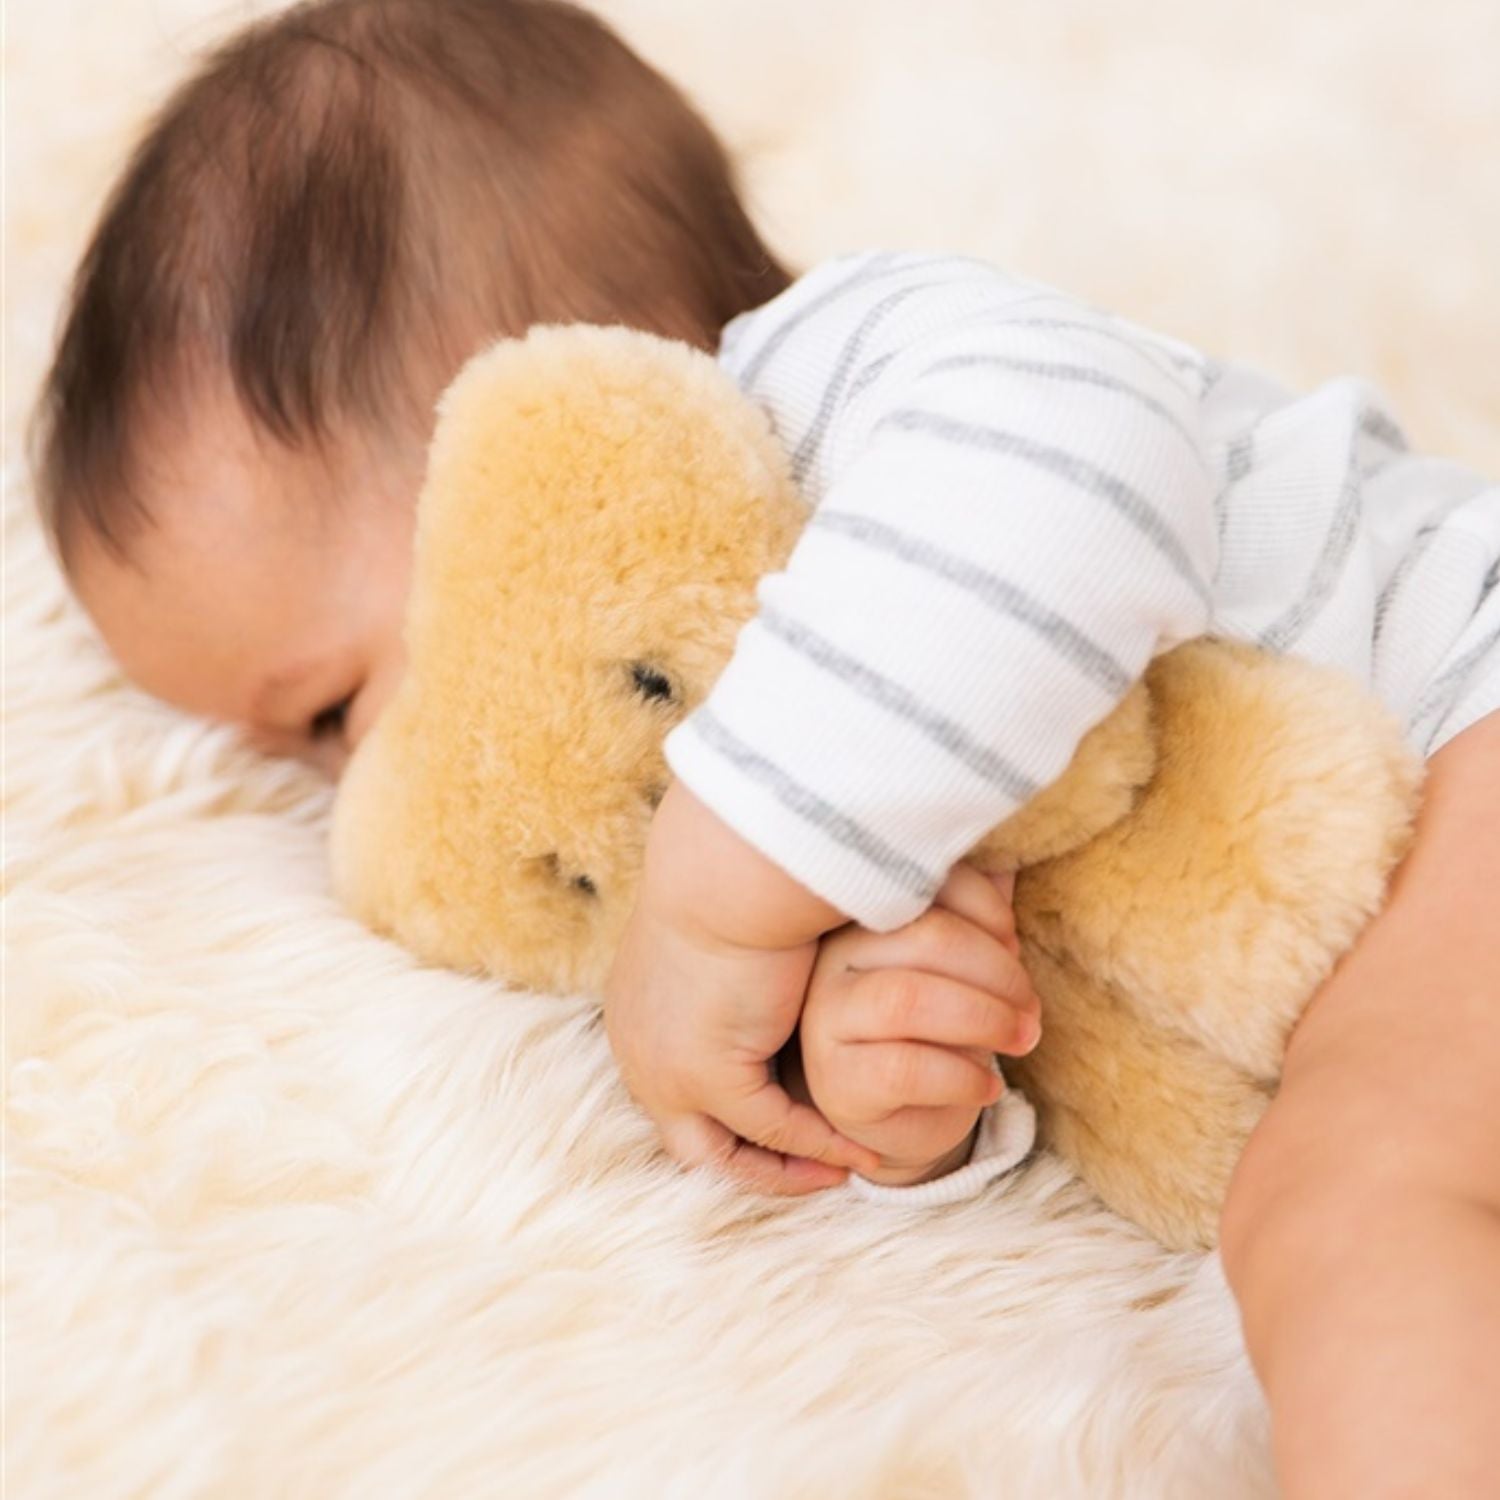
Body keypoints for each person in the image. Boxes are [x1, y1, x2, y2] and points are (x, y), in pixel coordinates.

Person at [31, 2, 1498, 1493]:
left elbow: (1089, 469)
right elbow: (1084, 1041)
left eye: (334, 716)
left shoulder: (845, 381)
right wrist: (905, 1101)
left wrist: (721, 889)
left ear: (536, 429)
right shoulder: (768, 773)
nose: (358, 810)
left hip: (1469, 701)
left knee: (1350, 1202)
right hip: (1378, 937)